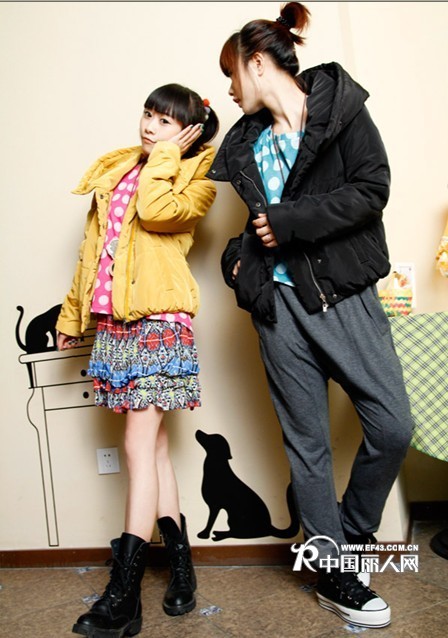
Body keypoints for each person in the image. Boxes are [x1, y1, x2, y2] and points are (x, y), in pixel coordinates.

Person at [209, 1, 413, 629]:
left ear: (257, 63)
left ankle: (349, 536)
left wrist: (290, 222)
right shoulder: (246, 143)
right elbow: (253, 229)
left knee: (392, 425)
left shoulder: (341, 109)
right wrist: (237, 266)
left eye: (231, 73)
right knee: (308, 446)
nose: (229, 88)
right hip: (278, 309)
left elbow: (372, 190)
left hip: (342, 295)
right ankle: (333, 572)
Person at [56, 83, 219, 638]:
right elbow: (92, 250)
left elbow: (156, 212)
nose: (151, 126)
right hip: (115, 323)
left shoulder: (194, 179)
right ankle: (181, 567)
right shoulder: (121, 169)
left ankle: (123, 597)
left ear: (189, 133)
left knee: (136, 446)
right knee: (155, 449)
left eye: (166, 121)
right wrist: (72, 316)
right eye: (149, 114)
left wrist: (168, 156)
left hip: (157, 321)